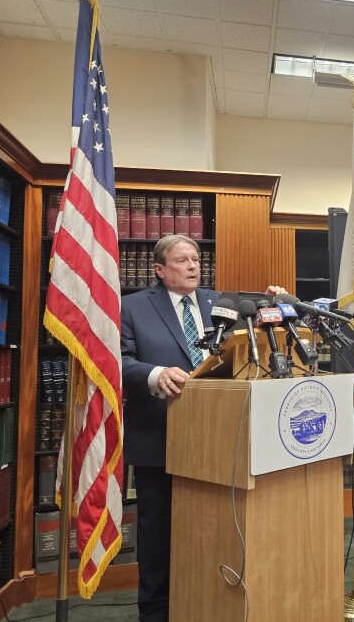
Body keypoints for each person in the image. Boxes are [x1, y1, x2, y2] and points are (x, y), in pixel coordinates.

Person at [121, 234, 283, 619]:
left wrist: (276, 301)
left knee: (212, 534)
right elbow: (117, 360)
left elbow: (255, 329)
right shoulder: (132, 307)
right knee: (158, 538)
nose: (194, 266)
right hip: (159, 438)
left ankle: (205, 606)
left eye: (196, 258)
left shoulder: (219, 303)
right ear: (160, 270)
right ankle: (157, 613)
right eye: (182, 260)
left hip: (218, 442)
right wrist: (155, 373)